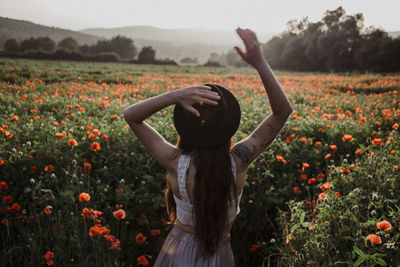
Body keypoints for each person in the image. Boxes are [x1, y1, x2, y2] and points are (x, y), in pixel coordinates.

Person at [123, 27, 293, 266]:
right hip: (220, 253)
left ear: (186, 127)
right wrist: (260, 62)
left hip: (178, 251)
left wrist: (175, 95)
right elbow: (282, 112)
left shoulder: (175, 162)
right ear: (227, 126)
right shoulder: (239, 162)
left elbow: (131, 115)